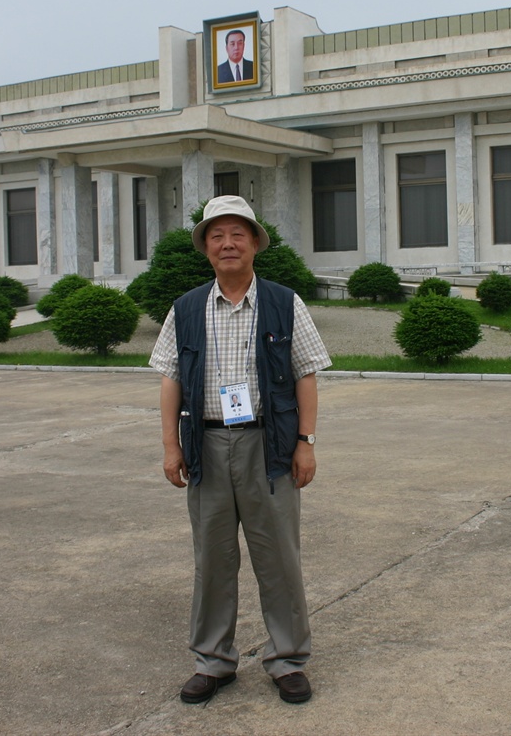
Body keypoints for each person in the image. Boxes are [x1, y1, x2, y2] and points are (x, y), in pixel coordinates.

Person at [150, 195, 330, 705]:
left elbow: (306, 375)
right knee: (212, 557)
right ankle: (213, 661)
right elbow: (169, 379)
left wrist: (306, 444)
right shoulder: (185, 309)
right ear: (205, 247)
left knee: (278, 556)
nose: (227, 243)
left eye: (237, 234)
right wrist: (170, 446)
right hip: (205, 443)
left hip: (268, 445)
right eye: (216, 235)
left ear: (254, 243)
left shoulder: (283, 302)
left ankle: (288, 659)